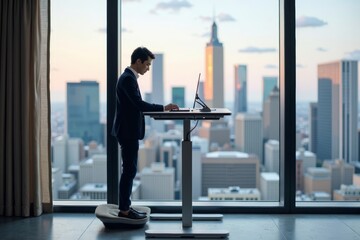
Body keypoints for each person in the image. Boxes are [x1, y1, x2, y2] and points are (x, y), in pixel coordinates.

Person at [111, 47, 179, 219]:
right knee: (129, 171)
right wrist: (164, 108)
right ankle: (124, 210)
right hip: (127, 131)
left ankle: (126, 207)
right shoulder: (127, 79)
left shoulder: (129, 78)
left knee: (129, 170)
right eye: (147, 64)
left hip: (128, 130)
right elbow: (139, 104)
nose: (148, 68)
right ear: (138, 61)